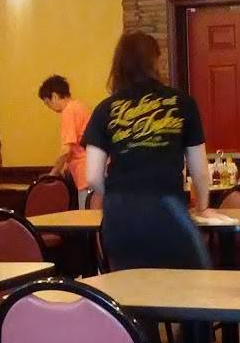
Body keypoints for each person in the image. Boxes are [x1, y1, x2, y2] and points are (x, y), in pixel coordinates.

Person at [83, 32, 216, 271]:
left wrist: (115, 196)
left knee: (130, 284)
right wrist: (203, 207)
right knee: (198, 279)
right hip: (165, 206)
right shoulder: (182, 102)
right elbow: (199, 170)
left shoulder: (104, 109)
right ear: (155, 61)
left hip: (119, 215)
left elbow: (92, 176)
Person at [38, 74, 91, 207]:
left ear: (55, 96)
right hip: (96, 170)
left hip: (85, 173)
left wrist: (52, 174)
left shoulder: (68, 111)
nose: (49, 107)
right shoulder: (80, 106)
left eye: (47, 102)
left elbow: (66, 150)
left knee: (86, 217)